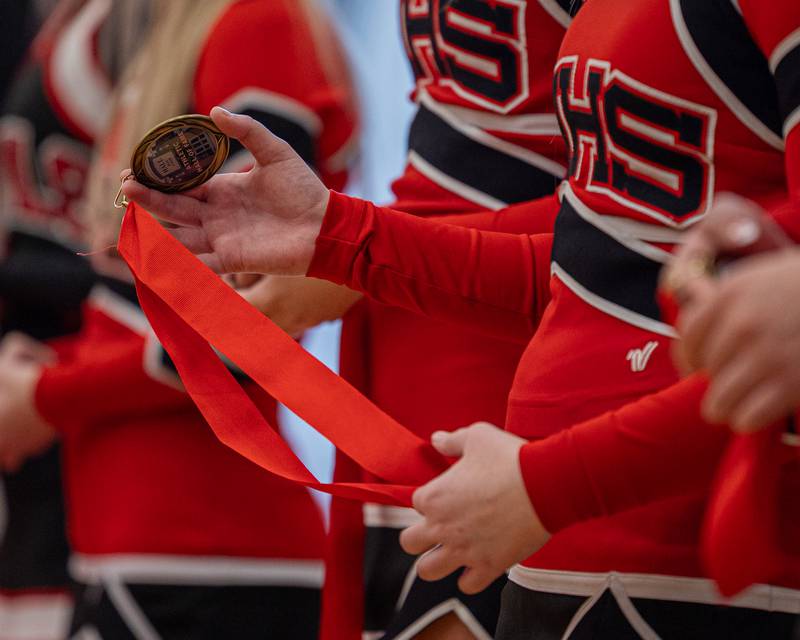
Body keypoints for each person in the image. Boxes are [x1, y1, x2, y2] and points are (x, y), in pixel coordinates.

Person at [123, 0, 800, 635]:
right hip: (522, 480)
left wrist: (551, 484)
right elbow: (599, 257)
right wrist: (336, 237)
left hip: (658, 507)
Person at [0, 0, 359, 637]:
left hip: (213, 562)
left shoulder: (257, 23)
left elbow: (248, 331)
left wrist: (47, 396)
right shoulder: (176, 31)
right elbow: (141, 310)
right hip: (128, 548)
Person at [234, 2, 575, 638]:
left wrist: (357, 255)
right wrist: (354, 256)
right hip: (397, 336)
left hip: (514, 355)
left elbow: (638, 219)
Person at [0, 1, 146, 636]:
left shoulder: (171, 24)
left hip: (108, 450)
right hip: (46, 416)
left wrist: (47, 389)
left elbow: (222, 305)